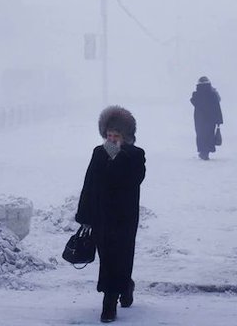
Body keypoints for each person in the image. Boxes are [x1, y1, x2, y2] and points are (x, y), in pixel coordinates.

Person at [75, 105, 146, 323]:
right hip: (101, 217)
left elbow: (134, 180)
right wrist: (84, 216)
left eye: (116, 135)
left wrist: (119, 157)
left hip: (124, 217)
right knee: (107, 258)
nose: (112, 139)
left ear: (126, 136)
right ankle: (121, 288)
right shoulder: (98, 153)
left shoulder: (135, 155)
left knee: (121, 256)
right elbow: (89, 184)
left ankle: (109, 303)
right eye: (109, 135)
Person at [190, 76, 223, 160]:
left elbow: (192, 100)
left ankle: (202, 152)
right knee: (209, 135)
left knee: (200, 135)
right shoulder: (213, 95)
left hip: (199, 120)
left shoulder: (196, 95)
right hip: (211, 119)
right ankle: (206, 152)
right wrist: (219, 121)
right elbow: (217, 108)